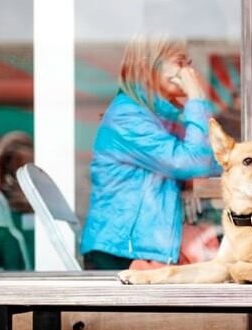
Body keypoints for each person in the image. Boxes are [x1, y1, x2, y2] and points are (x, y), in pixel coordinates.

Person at [81, 36, 222, 270]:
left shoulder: (158, 117)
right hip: (121, 255)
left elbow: (209, 160)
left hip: (139, 250)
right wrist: (197, 99)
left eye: (189, 63)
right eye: (180, 62)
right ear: (149, 64)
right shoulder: (129, 117)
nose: (189, 71)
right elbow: (192, 162)